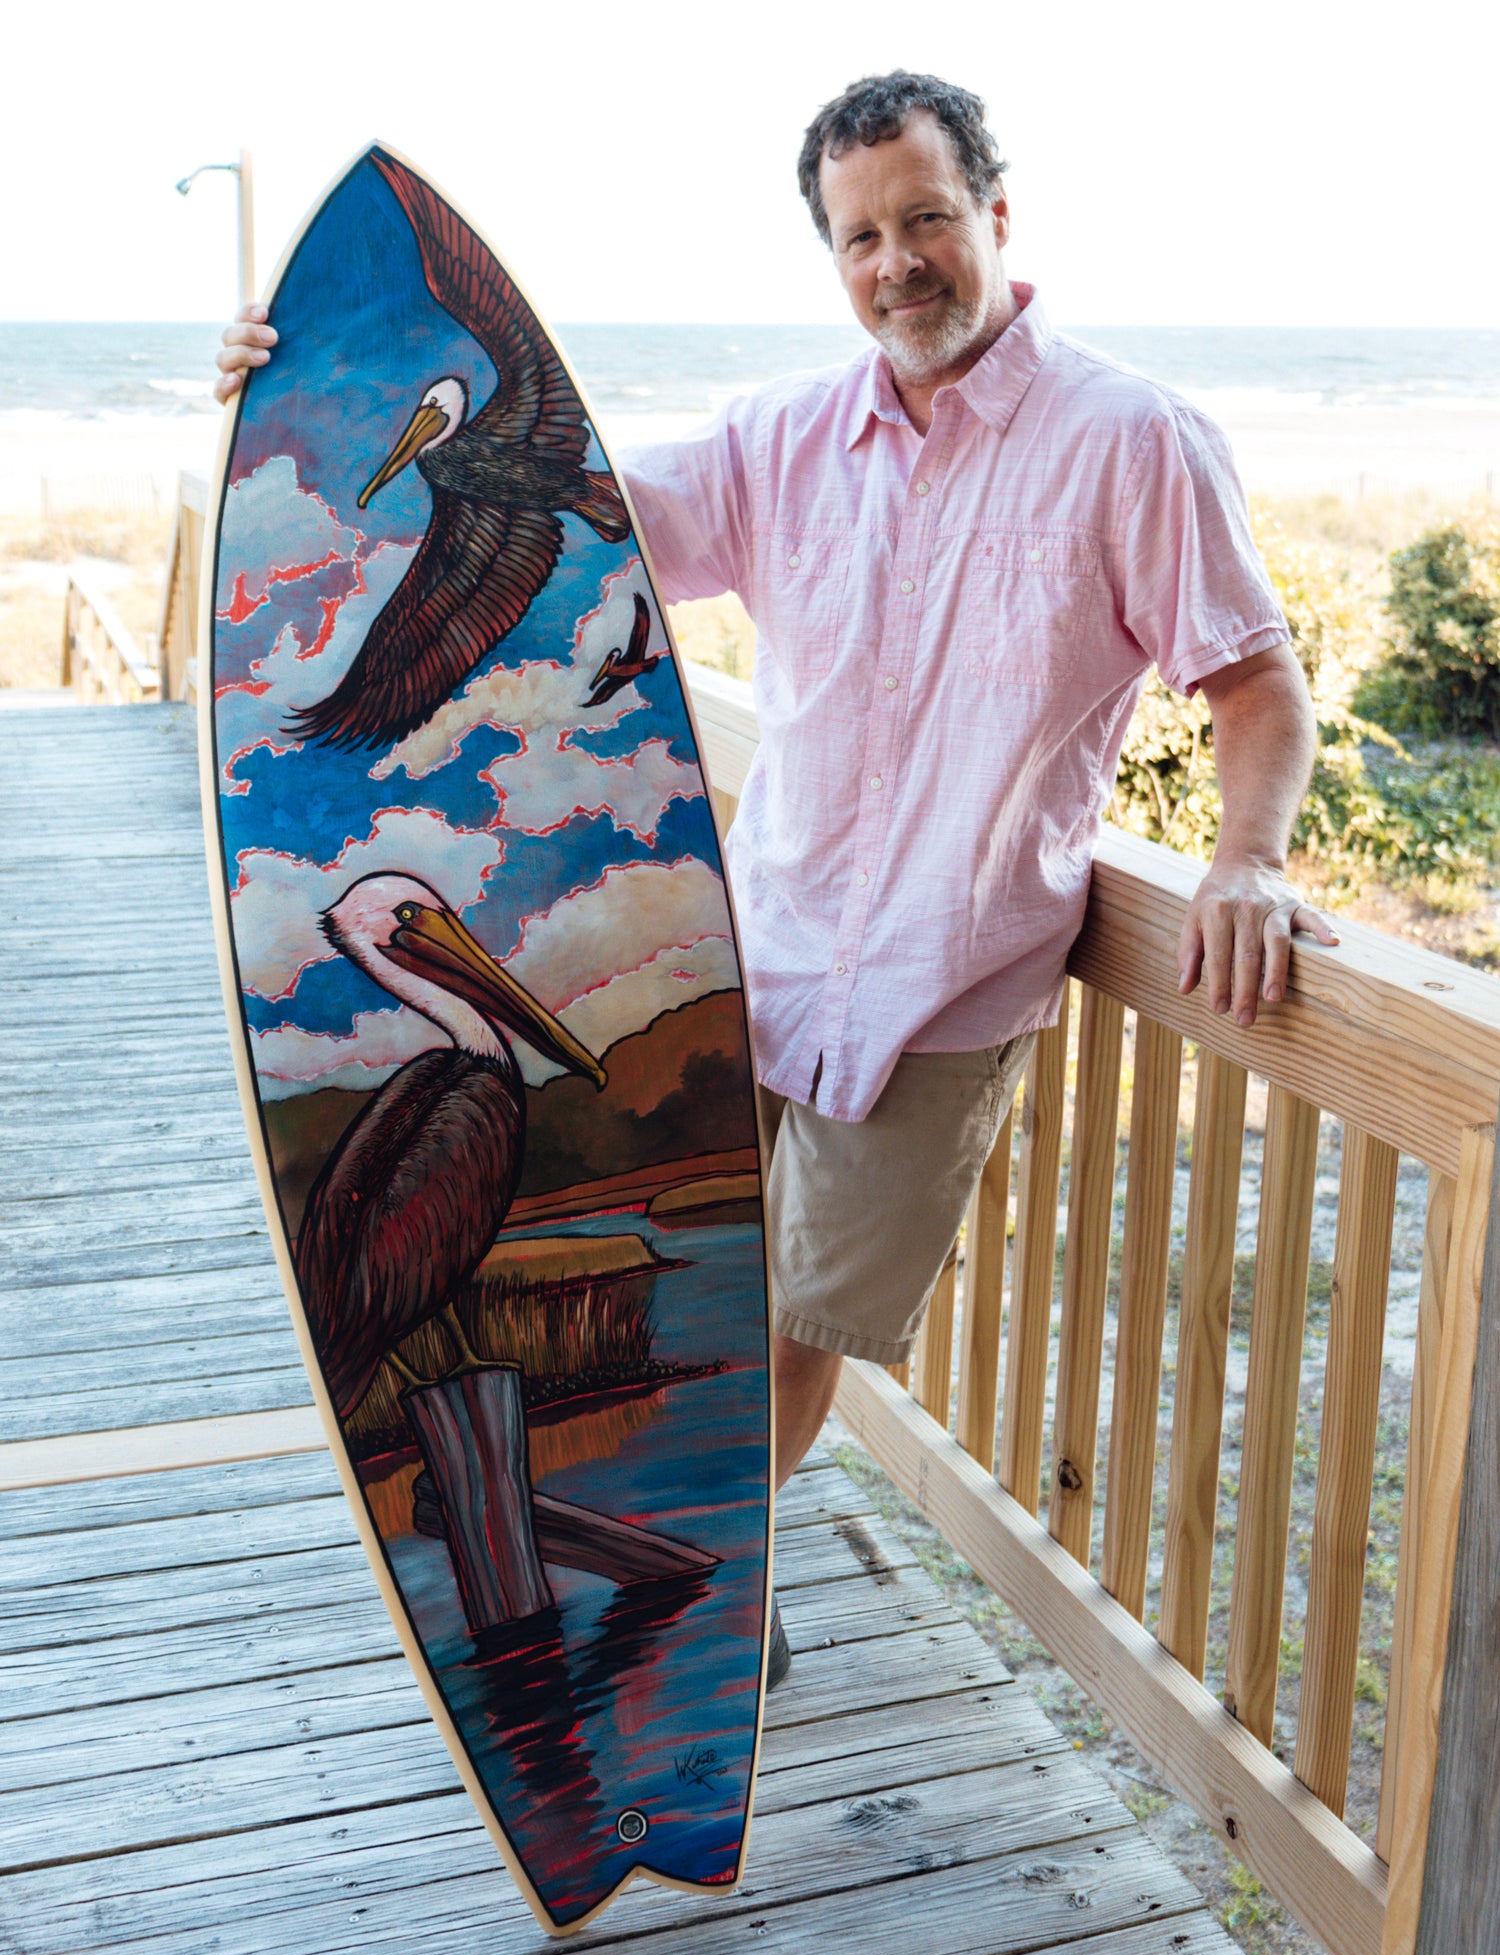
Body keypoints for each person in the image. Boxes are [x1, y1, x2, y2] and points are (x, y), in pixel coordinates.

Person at [216, 71, 1337, 1688]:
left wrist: (1247, 862)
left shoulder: (1132, 441)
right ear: (835, 254)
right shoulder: (787, 440)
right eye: (861, 236)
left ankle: (709, 1562)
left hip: (946, 993)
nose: (900, 263)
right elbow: (568, 520)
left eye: (929, 220)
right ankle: (706, 1557)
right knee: (719, 1300)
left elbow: (1254, 686)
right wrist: (305, 384)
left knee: (802, 1329)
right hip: (763, 950)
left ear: (997, 218)